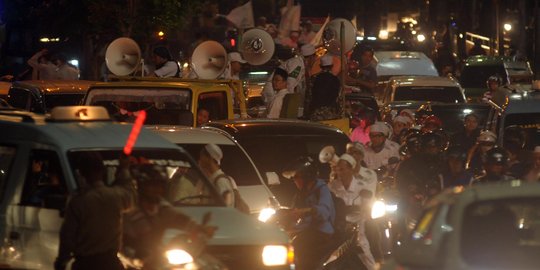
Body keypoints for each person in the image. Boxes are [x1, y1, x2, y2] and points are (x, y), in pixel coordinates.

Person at [55, 152, 136, 270]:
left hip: (85, 264)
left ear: (81, 173)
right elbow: (130, 194)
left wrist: (61, 261)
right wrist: (124, 169)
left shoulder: (78, 201)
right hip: (111, 263)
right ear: (102, 171)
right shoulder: (115, 195)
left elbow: (68, 236)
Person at [124, 165, 212, 268]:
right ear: (142, 186)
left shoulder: (161, 207)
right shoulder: (130, 211)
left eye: (160, 186)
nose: (157, 190)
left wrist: (200, 228)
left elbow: (178, 219)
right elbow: (124, 244)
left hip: (156, 260)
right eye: (152, 186)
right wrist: (135, 260)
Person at [282, 156, 335, 270]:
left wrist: (307, 211)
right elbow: (293, 211)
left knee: (298, 246)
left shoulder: (322, 189)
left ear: (307, 176)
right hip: (304, 230)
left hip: (321, 231)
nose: (294, 180)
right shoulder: (300, 194)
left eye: (296, 177)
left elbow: (324, 211)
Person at [329, 153, 377, 270]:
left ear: (351, 169)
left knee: (365, 253)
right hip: (336, 227)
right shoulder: (332, 186)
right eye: (338, 169)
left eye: (343, 169)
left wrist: (360, 211)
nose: (340, 172)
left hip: (356, 228)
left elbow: (368, 207)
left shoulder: (362, 186)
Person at [309, 54, 340, 119]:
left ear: (320, 66)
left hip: (316, 111)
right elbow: (338, 97)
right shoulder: (336, 79)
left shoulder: (314, 78)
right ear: (332, 66)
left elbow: (309, 95)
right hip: (331, 111)